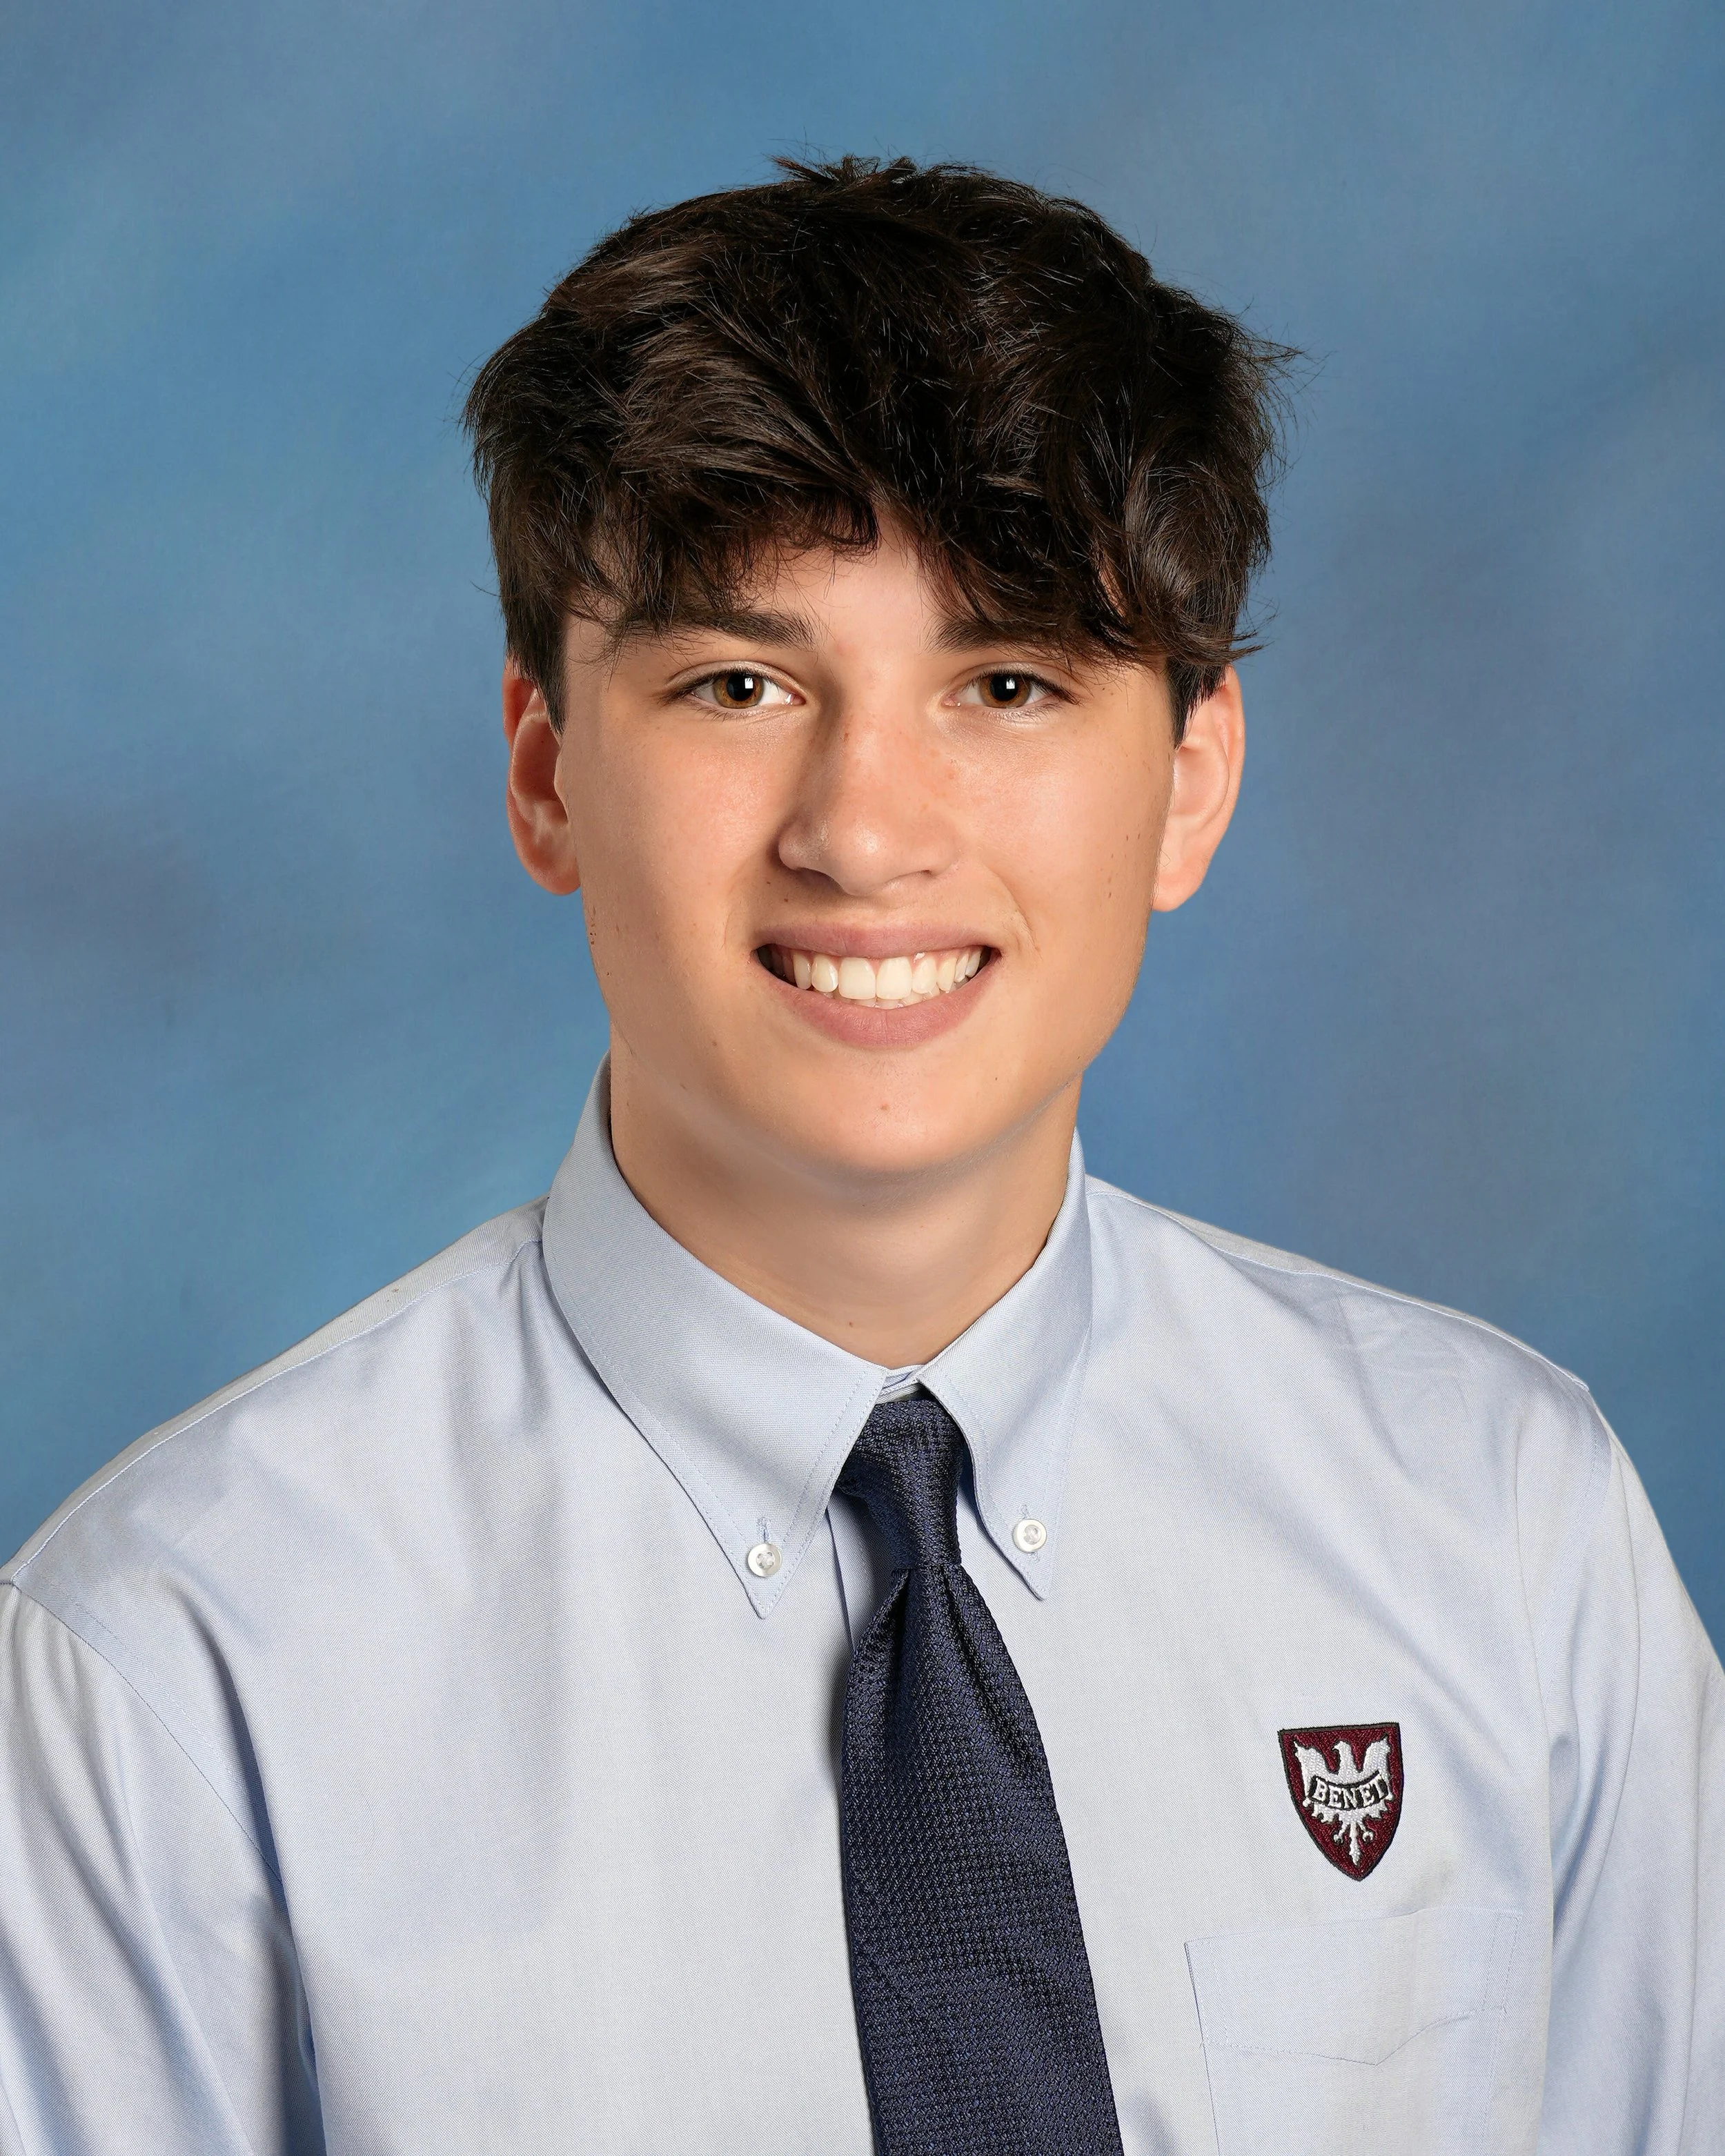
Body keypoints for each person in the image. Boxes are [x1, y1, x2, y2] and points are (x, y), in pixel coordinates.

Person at [1, 155, 1718, 2156]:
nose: (863, 825)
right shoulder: (181, 1650)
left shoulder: (1500, 1531)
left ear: (1188, 781)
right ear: (546, 766)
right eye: (740, 684)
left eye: (1005, 682)